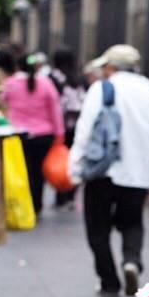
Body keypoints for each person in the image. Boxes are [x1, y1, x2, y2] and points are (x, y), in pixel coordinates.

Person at [69, 43, 149, 297]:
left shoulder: (101, 89)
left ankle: (109, 281)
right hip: (139, 174)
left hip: (102, 171)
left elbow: (85, 131)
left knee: (97, 229)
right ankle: (131, 262)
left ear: (111, 67)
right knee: (132, 222)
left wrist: (74, 166)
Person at [0, 51, 65, 217]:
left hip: (18, 135)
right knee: (38, 172)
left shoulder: (10, 83)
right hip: (44, 135)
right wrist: (59, 133)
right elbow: (55, 109)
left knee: (24, 171)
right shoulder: (46, 83)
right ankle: (37, 204)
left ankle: (24, 203)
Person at [48, 47, 85, 208]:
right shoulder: (78, 78)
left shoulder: (52, 77)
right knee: (74, 160)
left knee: (58, 160)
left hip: (59, 126)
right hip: (77, 126)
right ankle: (71, 195)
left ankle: (60, 195)